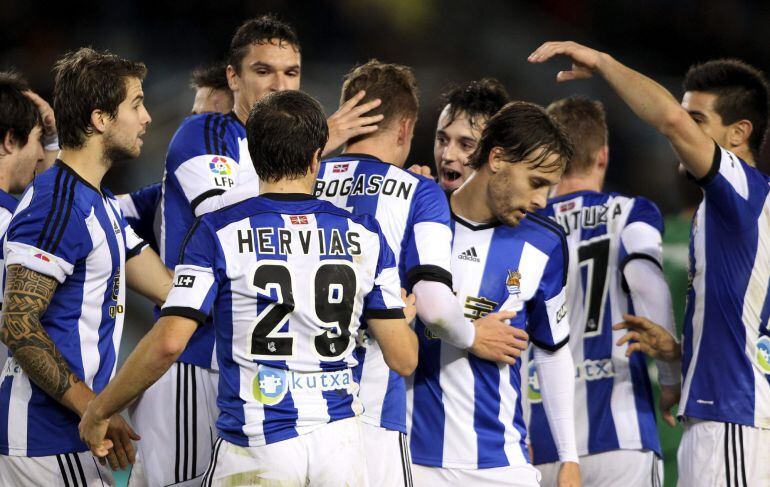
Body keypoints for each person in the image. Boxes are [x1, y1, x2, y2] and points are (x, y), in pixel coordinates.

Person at [79, 89, 417, 487]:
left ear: (253, 158)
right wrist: (402, 318)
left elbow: (170, 342)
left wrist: (99, 410)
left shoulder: (216, 230)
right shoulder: (365, 233)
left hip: (257, 445)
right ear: (315, 158)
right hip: (340, 444)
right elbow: (404, 359)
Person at [127, 15, 387, 486]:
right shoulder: (205, 133)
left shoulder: (309, 157)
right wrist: (315, 141)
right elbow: (229, 212)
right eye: (263, 71)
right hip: (193, 357)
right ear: (234, 77)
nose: (278, 84)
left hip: (259, 378)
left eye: (291, 73)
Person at [530, 41, 770, 486]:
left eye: (699, 121)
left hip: (734, 418)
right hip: (719, 415)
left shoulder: (743, 191)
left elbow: (668, 119)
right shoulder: (724, 211)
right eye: (688, 118)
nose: (682, 132)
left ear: (738, 133)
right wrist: (676, 361)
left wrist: (602, 62)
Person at [315, 60, 527, 486]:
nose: (448, 154)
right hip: (376, 407)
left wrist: (316, 145)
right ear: (406, 129)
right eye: (442, 139)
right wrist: (473, 335)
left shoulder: (300, 178)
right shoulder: (418, 192)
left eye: (465, 144)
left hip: (292, 410)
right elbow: (432, 305)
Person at [0, 47, 172, 486]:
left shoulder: (98, 202)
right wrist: (93, 406)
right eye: (136, 104)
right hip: (43, 442)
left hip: (76, 435)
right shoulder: (57, 205)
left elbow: (170, 291)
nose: (147, 118)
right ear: (100, 119)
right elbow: (18, 322)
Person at [407, 101, 581, 487]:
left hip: (500, 465)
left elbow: (552, 352)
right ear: (498, 158)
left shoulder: (545, 242)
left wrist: (569, 457)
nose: (541, 200)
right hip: (409, 462)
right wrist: (471, 334)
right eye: (536, 182)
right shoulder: (415, 217)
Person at [527, 96, 679, 486]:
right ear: (603, 156)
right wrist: (670, 378)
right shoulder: (632, 211)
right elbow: (647, 282)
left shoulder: (523, 225)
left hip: (539, 444)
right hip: (622, 437)